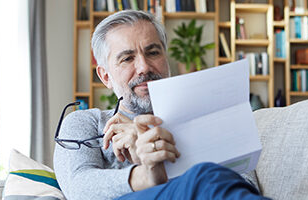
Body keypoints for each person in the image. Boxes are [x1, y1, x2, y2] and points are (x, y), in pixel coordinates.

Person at [53, 10, 270, 200]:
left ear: (166, 60)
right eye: (127, 58)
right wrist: (147, 174)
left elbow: (244, 185)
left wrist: (169, 161)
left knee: (208, 176)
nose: (144, 67)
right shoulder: (85, 123)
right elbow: (78, 188)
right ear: (105, 77)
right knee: (205, 175)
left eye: (153, 52)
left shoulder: (205, 114)